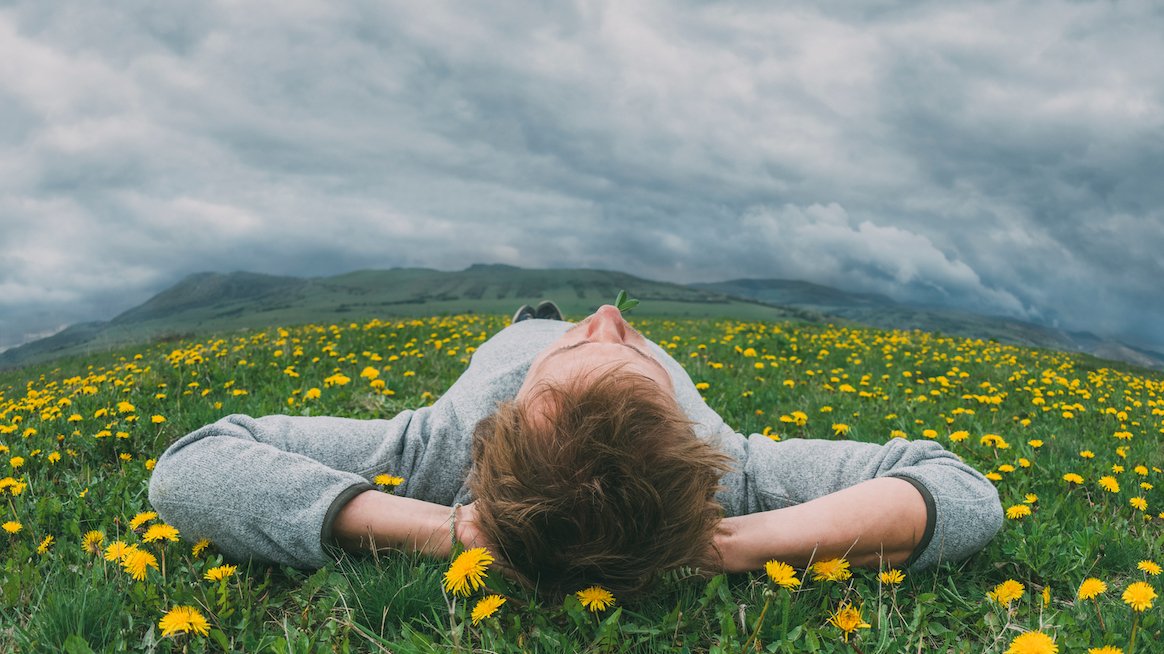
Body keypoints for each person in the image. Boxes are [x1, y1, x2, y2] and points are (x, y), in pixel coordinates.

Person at [148, 302, 1002, 597]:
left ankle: (533, 329)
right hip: (529, 347)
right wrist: (732, 540)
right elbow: (959, 492)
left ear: (508, 415)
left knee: (538, 324)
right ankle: (535, 327)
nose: (608, 316)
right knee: (544, 324)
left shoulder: (436, 445)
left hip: (518, 346)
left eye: (616, 340)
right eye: (632, 348)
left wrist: (445, 529)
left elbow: (192, 465)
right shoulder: (731, 468)